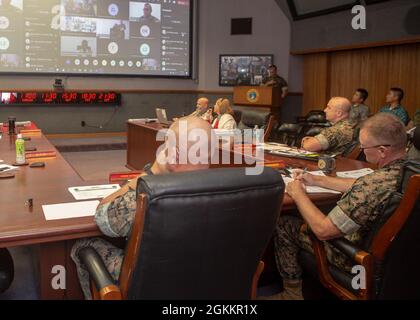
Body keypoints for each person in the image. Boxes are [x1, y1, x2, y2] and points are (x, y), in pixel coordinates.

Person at [265, 113, 408, 300]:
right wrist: (316, 179)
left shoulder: (372, 186)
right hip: (401, 261)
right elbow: (361, 184)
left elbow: (323, 230)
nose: (363, 151)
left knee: (284, 223)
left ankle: (292, 294)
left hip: (354, 258)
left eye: (364, 147)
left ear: (382, 151)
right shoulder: (406, 171)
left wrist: (297, 194)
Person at [71, 117, 215, 299]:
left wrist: (146, 176)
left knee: (82, 245)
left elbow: (103, 218)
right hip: (204, 279)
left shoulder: (148, 194)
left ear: (175, 156)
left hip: (157, 283)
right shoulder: (232, 190)